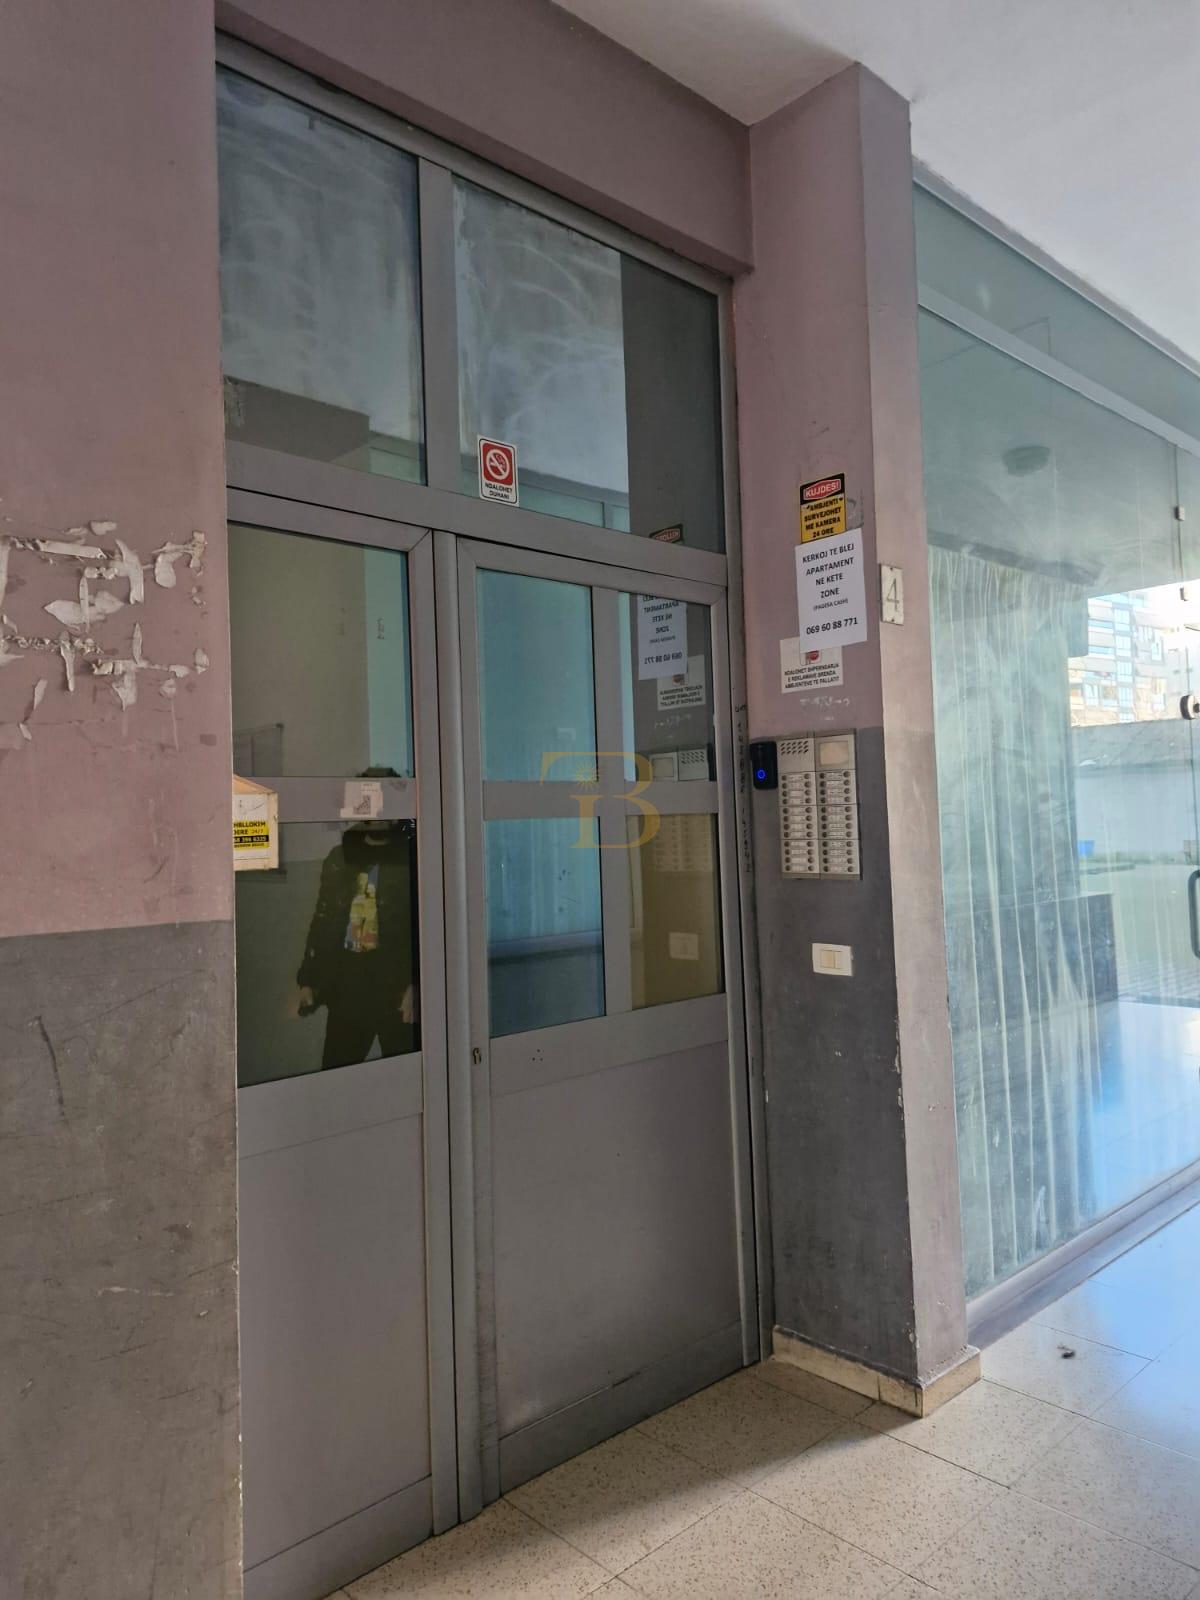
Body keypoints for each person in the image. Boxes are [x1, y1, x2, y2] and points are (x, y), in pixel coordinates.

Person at [294, 811, 418, 1070]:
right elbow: (324, 920)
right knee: (337, 1074)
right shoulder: (340, 858)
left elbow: (424, 924)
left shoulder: (411, 857)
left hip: (395, 986)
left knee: (405, 1074)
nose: (380, 819)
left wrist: (416, 983)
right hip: (348, 986)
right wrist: (309, 980)